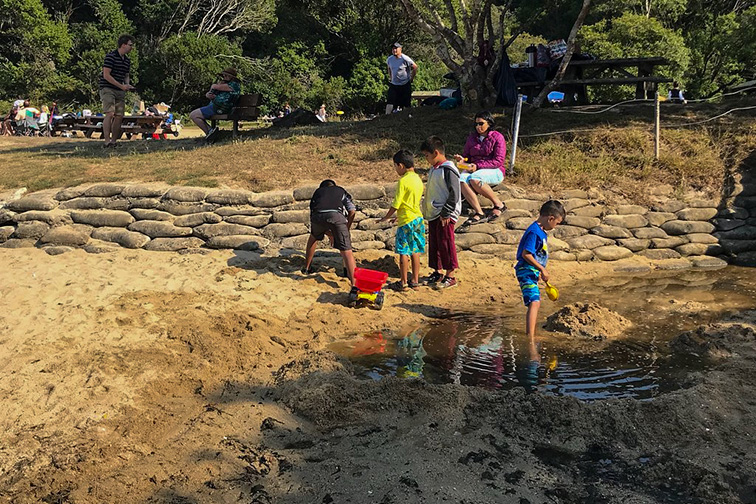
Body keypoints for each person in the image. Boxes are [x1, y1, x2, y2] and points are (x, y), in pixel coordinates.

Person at [514, 200, 565, 340]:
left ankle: (531, 332)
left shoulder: (541, 232)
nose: (555, 226)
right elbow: (526, 254)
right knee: (534, 302)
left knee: (535, 301)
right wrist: (542, 269)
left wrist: (538, 271)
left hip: (532, 271)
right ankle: (530, 337)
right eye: (557, 223)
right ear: (550, 218)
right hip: (526, 270)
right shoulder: (534, 232)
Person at [379, 149, 426, 291]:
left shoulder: (403, 181)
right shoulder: (418, 179)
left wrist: (386, 217)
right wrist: (397, 217)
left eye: (395, 166)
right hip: (417, 219)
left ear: (401, 165)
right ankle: (415, 281)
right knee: (415, 250)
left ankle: (404, 282)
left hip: (406, 221)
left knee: (404, 251)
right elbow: (410, 202)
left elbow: (397, 203)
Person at [420, 136, 461, 290]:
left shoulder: (449, 169)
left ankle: (450, 275)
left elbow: (454, 193)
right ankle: (437, 271)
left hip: (445, 213)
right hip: (434, 212)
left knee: (446, 243)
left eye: (427, 156)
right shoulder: (434, 169)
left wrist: (447, 212)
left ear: (436, 152)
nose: (426, 159)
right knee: (435, 242)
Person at [453, 110, 507, 226]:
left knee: (474, 178)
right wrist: (463, 160)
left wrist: (477, 166)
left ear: (489, 123)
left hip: (494, 170)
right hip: (474, 168)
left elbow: (498, 161)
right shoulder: (472, 138)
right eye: (476, 124)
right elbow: (467, 156)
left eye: (481, 123)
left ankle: (499, 204)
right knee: (461, 179)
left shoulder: (498, 137)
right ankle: (479, 212)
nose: (478, 127)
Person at [303, 180, 358, 291]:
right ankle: (354, 284)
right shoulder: (341, 191)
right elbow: (352, 211)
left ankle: (306, 268)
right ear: (334, 186)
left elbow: (315, 214)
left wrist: (331, 234)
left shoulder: (317, 193)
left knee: (313, 237)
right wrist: (346, 228)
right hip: (336, 216)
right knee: (347, 250)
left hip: (317, 217)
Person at [99, 34, 135, 148]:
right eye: (130, 45)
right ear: (123, 45)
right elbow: (106, 75)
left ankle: (114, 142)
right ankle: (106, 141)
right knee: (110, 113)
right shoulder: (111, 56)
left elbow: (126, 75)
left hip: (120, 89)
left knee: (119, 115)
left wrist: (127, 85)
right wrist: (121, 86)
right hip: (108, 88)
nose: (131, 47)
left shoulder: (127, 61)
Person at [189, 67, 241, 141]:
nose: (224, 77)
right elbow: (211, 92)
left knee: (194, 115)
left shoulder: (234, 85)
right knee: (194, 115)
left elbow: (215, 87)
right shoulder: (223, 85)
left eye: (226, 76)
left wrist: (215, 86)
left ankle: (209, 132)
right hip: (216, 106)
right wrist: (209, 95)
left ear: (232, 77)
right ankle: (211, 132)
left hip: (221, 108)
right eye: (224, 76)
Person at [386, 42, 417, 114]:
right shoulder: (390, 59)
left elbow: (415, 67)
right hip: (394, 84)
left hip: (404, 83)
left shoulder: (405, 58)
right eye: (393, 49)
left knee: (406, 103)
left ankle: (408, 116)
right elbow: (389, 68)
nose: (394, 50)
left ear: (400, 49)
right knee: (390, 100)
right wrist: (390, 77)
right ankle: (387, 116)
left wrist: (411, 78)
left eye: (396, 48)